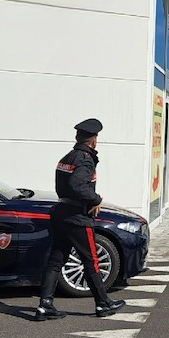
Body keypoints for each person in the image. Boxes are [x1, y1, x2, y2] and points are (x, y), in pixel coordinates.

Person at [35, 118, 126, 321]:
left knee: (56, 260)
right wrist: (96, 199)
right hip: (77, 217)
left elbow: (64, 186)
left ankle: (45, 305)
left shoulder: (67, 157)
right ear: (93, 140)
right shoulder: (85, 158)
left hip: (61, 213)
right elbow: (77, 185)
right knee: (91, 260)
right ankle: (103, 304)